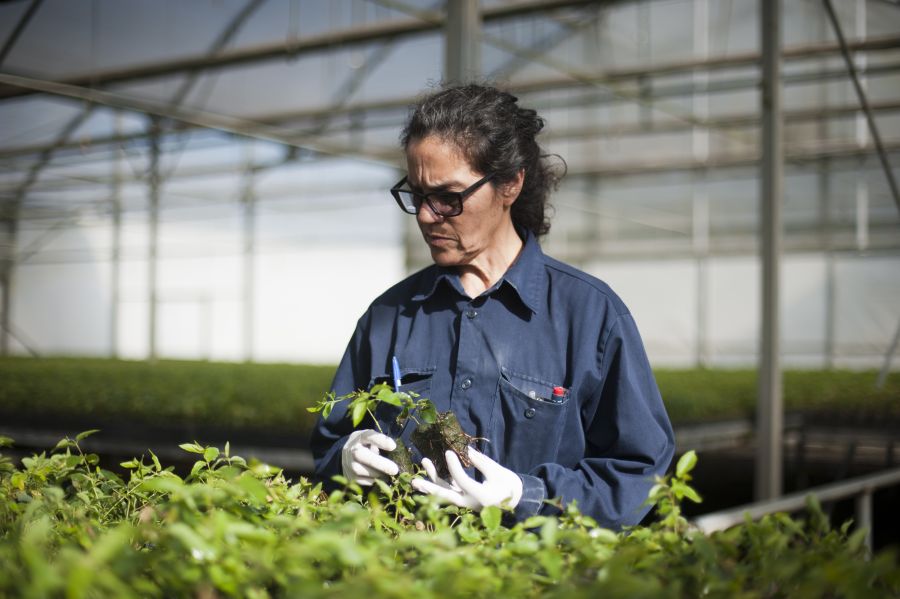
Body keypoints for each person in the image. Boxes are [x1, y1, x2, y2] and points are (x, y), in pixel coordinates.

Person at [310, 84, 675, 529]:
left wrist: (527, 495)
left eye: (448, 197)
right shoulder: (389, 316)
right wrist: (345, 459)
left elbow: (639, 474)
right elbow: (330, 443)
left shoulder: (591, 317)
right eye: (418, 195)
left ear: (510, 183)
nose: (427, 215)